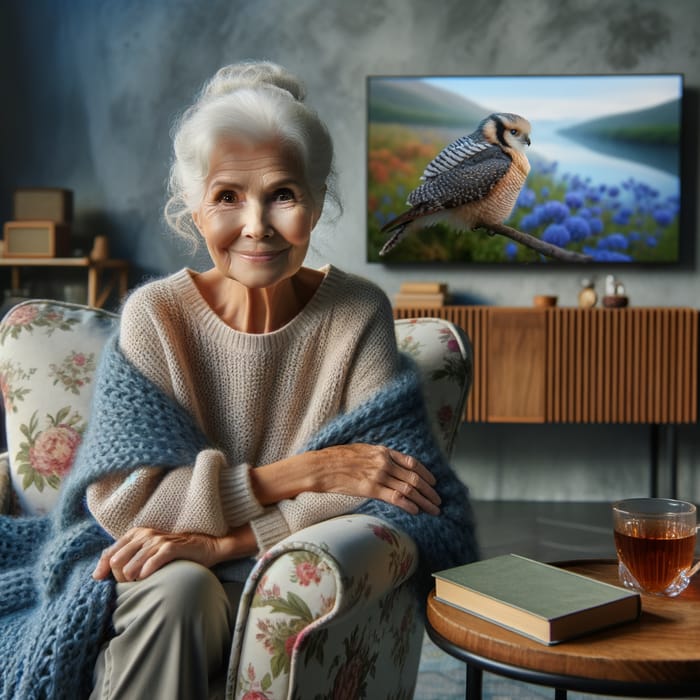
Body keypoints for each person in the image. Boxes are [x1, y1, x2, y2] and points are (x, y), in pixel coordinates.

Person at [0, 60, 477, 699]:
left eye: (282, 194)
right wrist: (303, 471)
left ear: (314, 202)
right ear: (195, 211)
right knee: (177, 591)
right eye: (228, 196)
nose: (256, 224)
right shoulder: (156, 317)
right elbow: (125, 501)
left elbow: (382, 486)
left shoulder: (355, 313)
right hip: (155, 564)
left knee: (191, 577)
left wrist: (225, 540)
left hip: (281, 567)